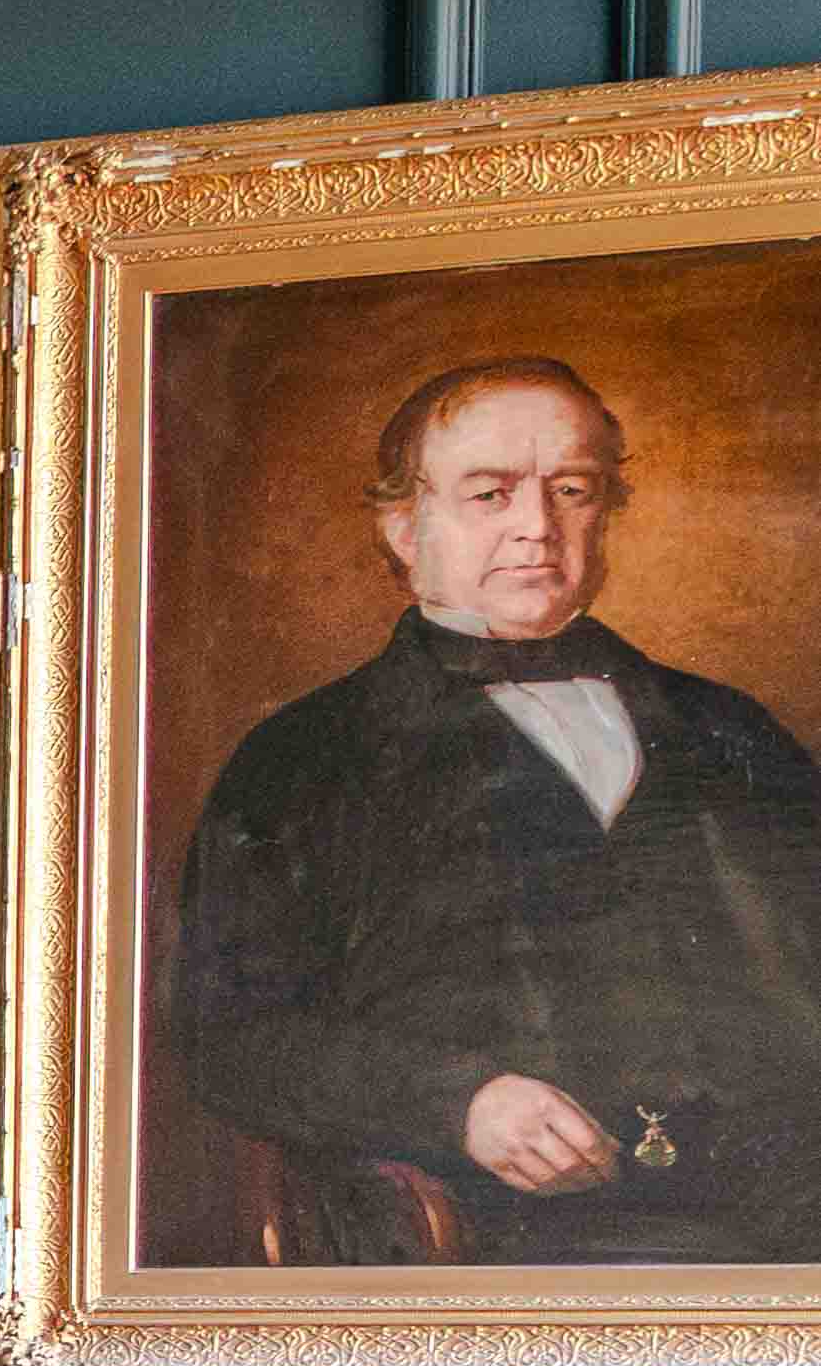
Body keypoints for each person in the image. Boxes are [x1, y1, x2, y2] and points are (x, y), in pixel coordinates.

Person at [166, 356, 821, 1261]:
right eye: (491, 494)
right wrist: (461, 1102)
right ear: (404, 527)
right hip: (496, 1232)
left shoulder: (726, 727)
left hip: (784, 1210)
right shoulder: (306, 754)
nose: (537, 527)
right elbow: (229, 1036)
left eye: (572, 490)